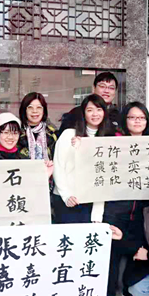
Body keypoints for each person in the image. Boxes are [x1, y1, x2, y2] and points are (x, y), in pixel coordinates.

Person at [102, 102, 149, 296]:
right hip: (116, 209)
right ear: (125, 120)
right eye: (132, 117)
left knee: (137, 249)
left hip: (143, 210)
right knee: (112, 254)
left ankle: (130, 289)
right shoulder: (113, 142)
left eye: (141, 118)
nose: (137, 121)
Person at [0, 113, 54, 227]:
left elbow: (34, 197)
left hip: (22, 221)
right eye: (6, 132)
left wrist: (44, 177)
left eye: (15, 133)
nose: (10, 137)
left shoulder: (26, 161)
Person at [53, 95, 114, 224]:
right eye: (90, 110)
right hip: (68, 200)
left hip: (92, 202)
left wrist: (98, 211)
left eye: (99, 109)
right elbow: (58, 167)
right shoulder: (69, 135)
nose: (95, 114)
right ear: (83, 113)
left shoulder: (108, 139)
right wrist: (66, 195)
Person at [18, 92, 58, 160]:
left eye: (39, 107)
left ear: (44, 110)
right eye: (30, 107)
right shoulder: (17, 132)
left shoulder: (52, 133)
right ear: (24, 110)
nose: (34, 111)